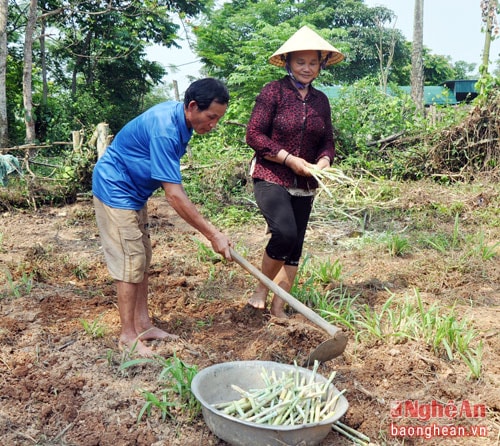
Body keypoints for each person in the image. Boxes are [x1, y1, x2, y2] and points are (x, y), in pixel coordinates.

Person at [92, 78, 233, 357]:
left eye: (218, 118)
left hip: (133, 192)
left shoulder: (183, 121)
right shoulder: (166, 129)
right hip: (115, 188)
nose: (213, 124)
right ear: (192, 106)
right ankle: (128, 337)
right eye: (211, 117)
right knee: (130, 260)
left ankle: (142, 325)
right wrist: (213, 234)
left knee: (142, 257)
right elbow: (174, 195)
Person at [245, 26, 344, 318]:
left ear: (321, 65)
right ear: (288, 62)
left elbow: (327, 140)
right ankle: (261, 290)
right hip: (271, 174)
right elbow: (254, 135)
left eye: (313, 62)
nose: (307, 68)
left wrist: (324, 162)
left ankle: (278, 308)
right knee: (284, 233)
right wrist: (288, 159)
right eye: (301, 62)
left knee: (295, 246)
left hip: (306, 182)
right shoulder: (272, 92)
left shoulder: (320, 100)